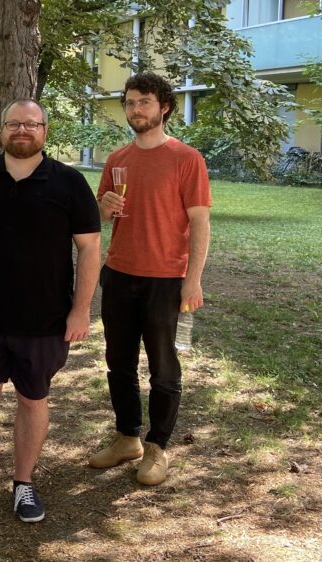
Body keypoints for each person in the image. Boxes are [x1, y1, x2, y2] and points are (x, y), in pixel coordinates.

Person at [0, 99, 101, 524]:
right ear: (2, 130)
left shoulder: (69, 182)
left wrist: (81, 311)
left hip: (45, 319)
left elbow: (89, 249)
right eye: (14, 124)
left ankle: (23, 484)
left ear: (45, 130)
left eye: (31, 124)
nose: (22, 131)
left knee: (33, 400)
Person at [89, 72, 211, 486]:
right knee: (117, 362)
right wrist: (103, 207)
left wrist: (192, 279)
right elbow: (99, 218)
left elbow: (199, 223)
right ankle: (128, 438)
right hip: (119, 274)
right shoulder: (116, 160)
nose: (136, 109)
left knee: (163, 368)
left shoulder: (186, 158)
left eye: (144, 102)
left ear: (164, 107)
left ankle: (158, 447)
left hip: (166, 278)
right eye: (129, 102)